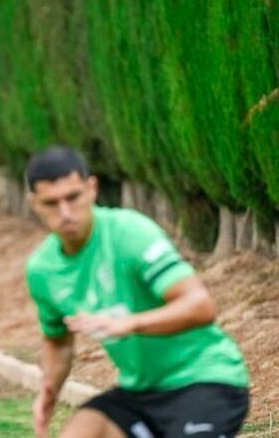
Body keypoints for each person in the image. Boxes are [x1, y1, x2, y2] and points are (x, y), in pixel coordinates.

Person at [25, 146, 250, 438]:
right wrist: (49, 390)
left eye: (73, 197)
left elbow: (199, 306)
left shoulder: (130, 233)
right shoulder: (43, 269)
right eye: (51, 203)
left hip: (206, 381)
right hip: (140, 393)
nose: (65, 213)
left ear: (92, 189)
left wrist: (129, 323)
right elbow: (58, 341)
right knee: (84, 429)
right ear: (34, 204)